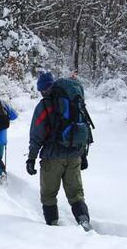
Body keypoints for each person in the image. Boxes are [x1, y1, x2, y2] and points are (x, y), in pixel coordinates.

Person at [26, 71, 93, 230]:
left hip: (52, 157)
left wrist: (31, 158)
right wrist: (83, 155)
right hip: (74, 154)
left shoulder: (44, 106)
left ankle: (53, 228)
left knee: (48, 196)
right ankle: (84, 222)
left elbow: (36, 135)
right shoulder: (73, 101)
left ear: (42, 89)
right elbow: (83, 127)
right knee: (76, 194)